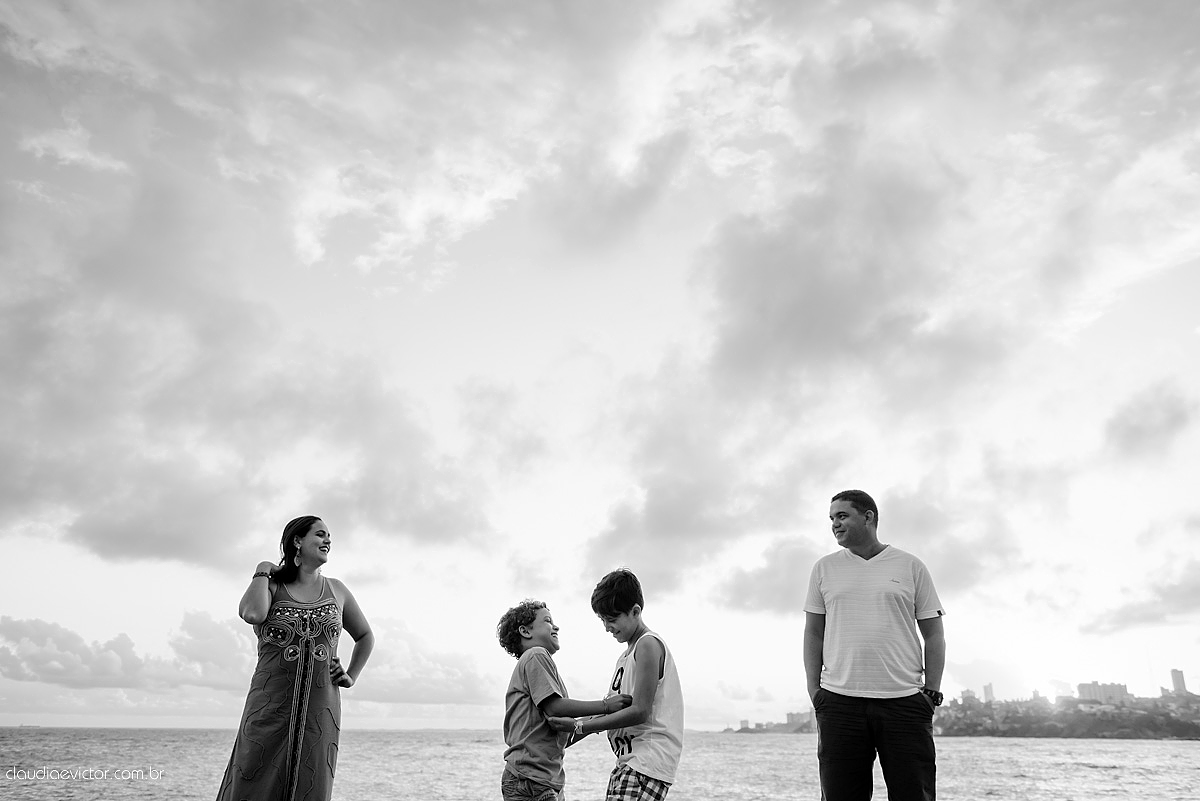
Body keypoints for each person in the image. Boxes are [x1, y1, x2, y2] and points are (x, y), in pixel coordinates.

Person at [216, 516, 375, 801]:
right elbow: (252, 614)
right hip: (269, 707)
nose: (328, 540)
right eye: (320, 534)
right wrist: (262, 569)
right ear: (297, 541)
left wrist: (351, 675)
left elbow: (365, 636)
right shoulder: (272, 587)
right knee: (252, 780)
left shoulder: (337, 590)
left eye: (329, 536)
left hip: (320, 710)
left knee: (311, 783)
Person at [803, 489, 946, 801]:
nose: (834, 524)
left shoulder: (910, 566)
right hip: (839, 704)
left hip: (904, 702)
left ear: (868, 517)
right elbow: (813, 633)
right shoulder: (824, 569)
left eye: (842, 516)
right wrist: (816, 692)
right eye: (831, 518)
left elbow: (934, 634)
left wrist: (931, 693)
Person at [497, 599, 633, 801]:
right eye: (548, 621)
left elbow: (560, 734)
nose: (556, 626)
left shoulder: (539, 666)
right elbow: (555, 708)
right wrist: (605, 706)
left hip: (540, 779)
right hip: (531, 779)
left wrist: (595, 721)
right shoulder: (535, 655)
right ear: (526, 631)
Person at [582, 568, 684, 801]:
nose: (607, 627)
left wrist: (582, 728)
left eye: (612, 619)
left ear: (635, 611)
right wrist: (570, 732)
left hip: (646, 762)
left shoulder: (647, 645)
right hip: (628, 762)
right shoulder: (625, 656)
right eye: (603, 620)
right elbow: (611, 710)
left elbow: (639, 711)